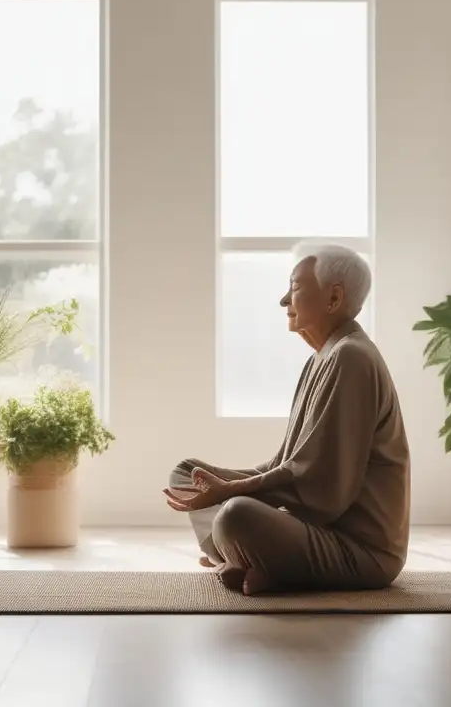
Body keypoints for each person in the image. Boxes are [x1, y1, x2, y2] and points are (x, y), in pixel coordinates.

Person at [164, 242, 411, 596]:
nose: (283, 301)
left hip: (361, 552)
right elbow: (288, 463)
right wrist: (220, 483)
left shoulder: (352, 359)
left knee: (236, 515)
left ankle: (248, 560)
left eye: (294, 289)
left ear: (333, 299)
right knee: (188, 473)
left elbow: (324, 485)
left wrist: (231, 491)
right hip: (313, 530)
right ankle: (253, 563)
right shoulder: (322, 358)